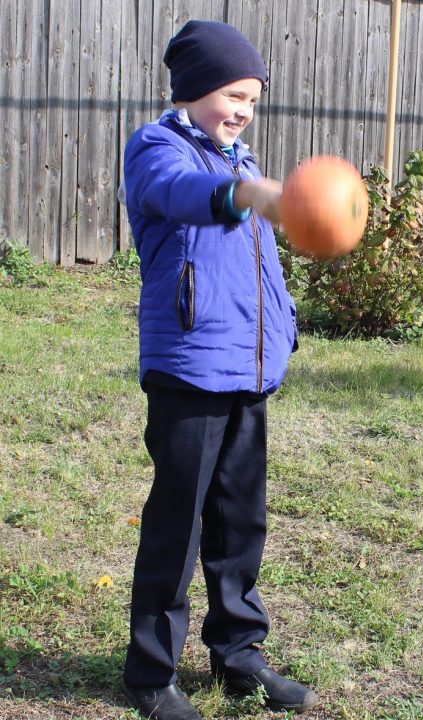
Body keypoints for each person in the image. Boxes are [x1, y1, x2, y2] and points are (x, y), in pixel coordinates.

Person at [119, 20, 317, 720]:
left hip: (247, 371)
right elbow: (174, 194)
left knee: (240, 522)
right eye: (233, 94)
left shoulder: (240, 161)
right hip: (189, 372)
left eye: (253, 99)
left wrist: (284, 330)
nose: (242, 109)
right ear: (196, 88)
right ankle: (151, 674)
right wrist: (248, 196)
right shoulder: (158, 149)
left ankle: (239, 656)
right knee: (178, 524)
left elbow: (257, 273)